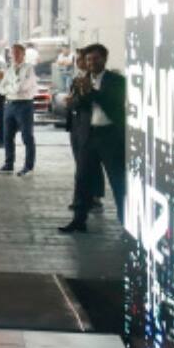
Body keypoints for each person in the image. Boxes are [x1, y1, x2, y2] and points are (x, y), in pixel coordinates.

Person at [60, 44, 125, 233]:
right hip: (88, 136)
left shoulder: (117, 81)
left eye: (95, 59)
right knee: (82, 179)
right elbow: (80, 107)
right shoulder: (80, 81)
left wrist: (92, 92)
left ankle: (125, 219)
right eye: (88, 60)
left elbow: (114, 104)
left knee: (118, 179)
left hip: (110, 136)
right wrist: (73, 103)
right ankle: (79, 220)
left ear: (104, 59)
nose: (91, 63)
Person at [0, 43, 38, 176]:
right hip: (10, 105)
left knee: (27, 136)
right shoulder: (9, 69)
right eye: (13, 53)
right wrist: (13, 87)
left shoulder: (29, 68)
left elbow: (22, 87)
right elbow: (1, 88)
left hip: (24, 105)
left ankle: (28, 166)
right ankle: (9, 164)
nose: (15, 55)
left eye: (18, 53)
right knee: (7, 136)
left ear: (23, 54)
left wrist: (11, 88)